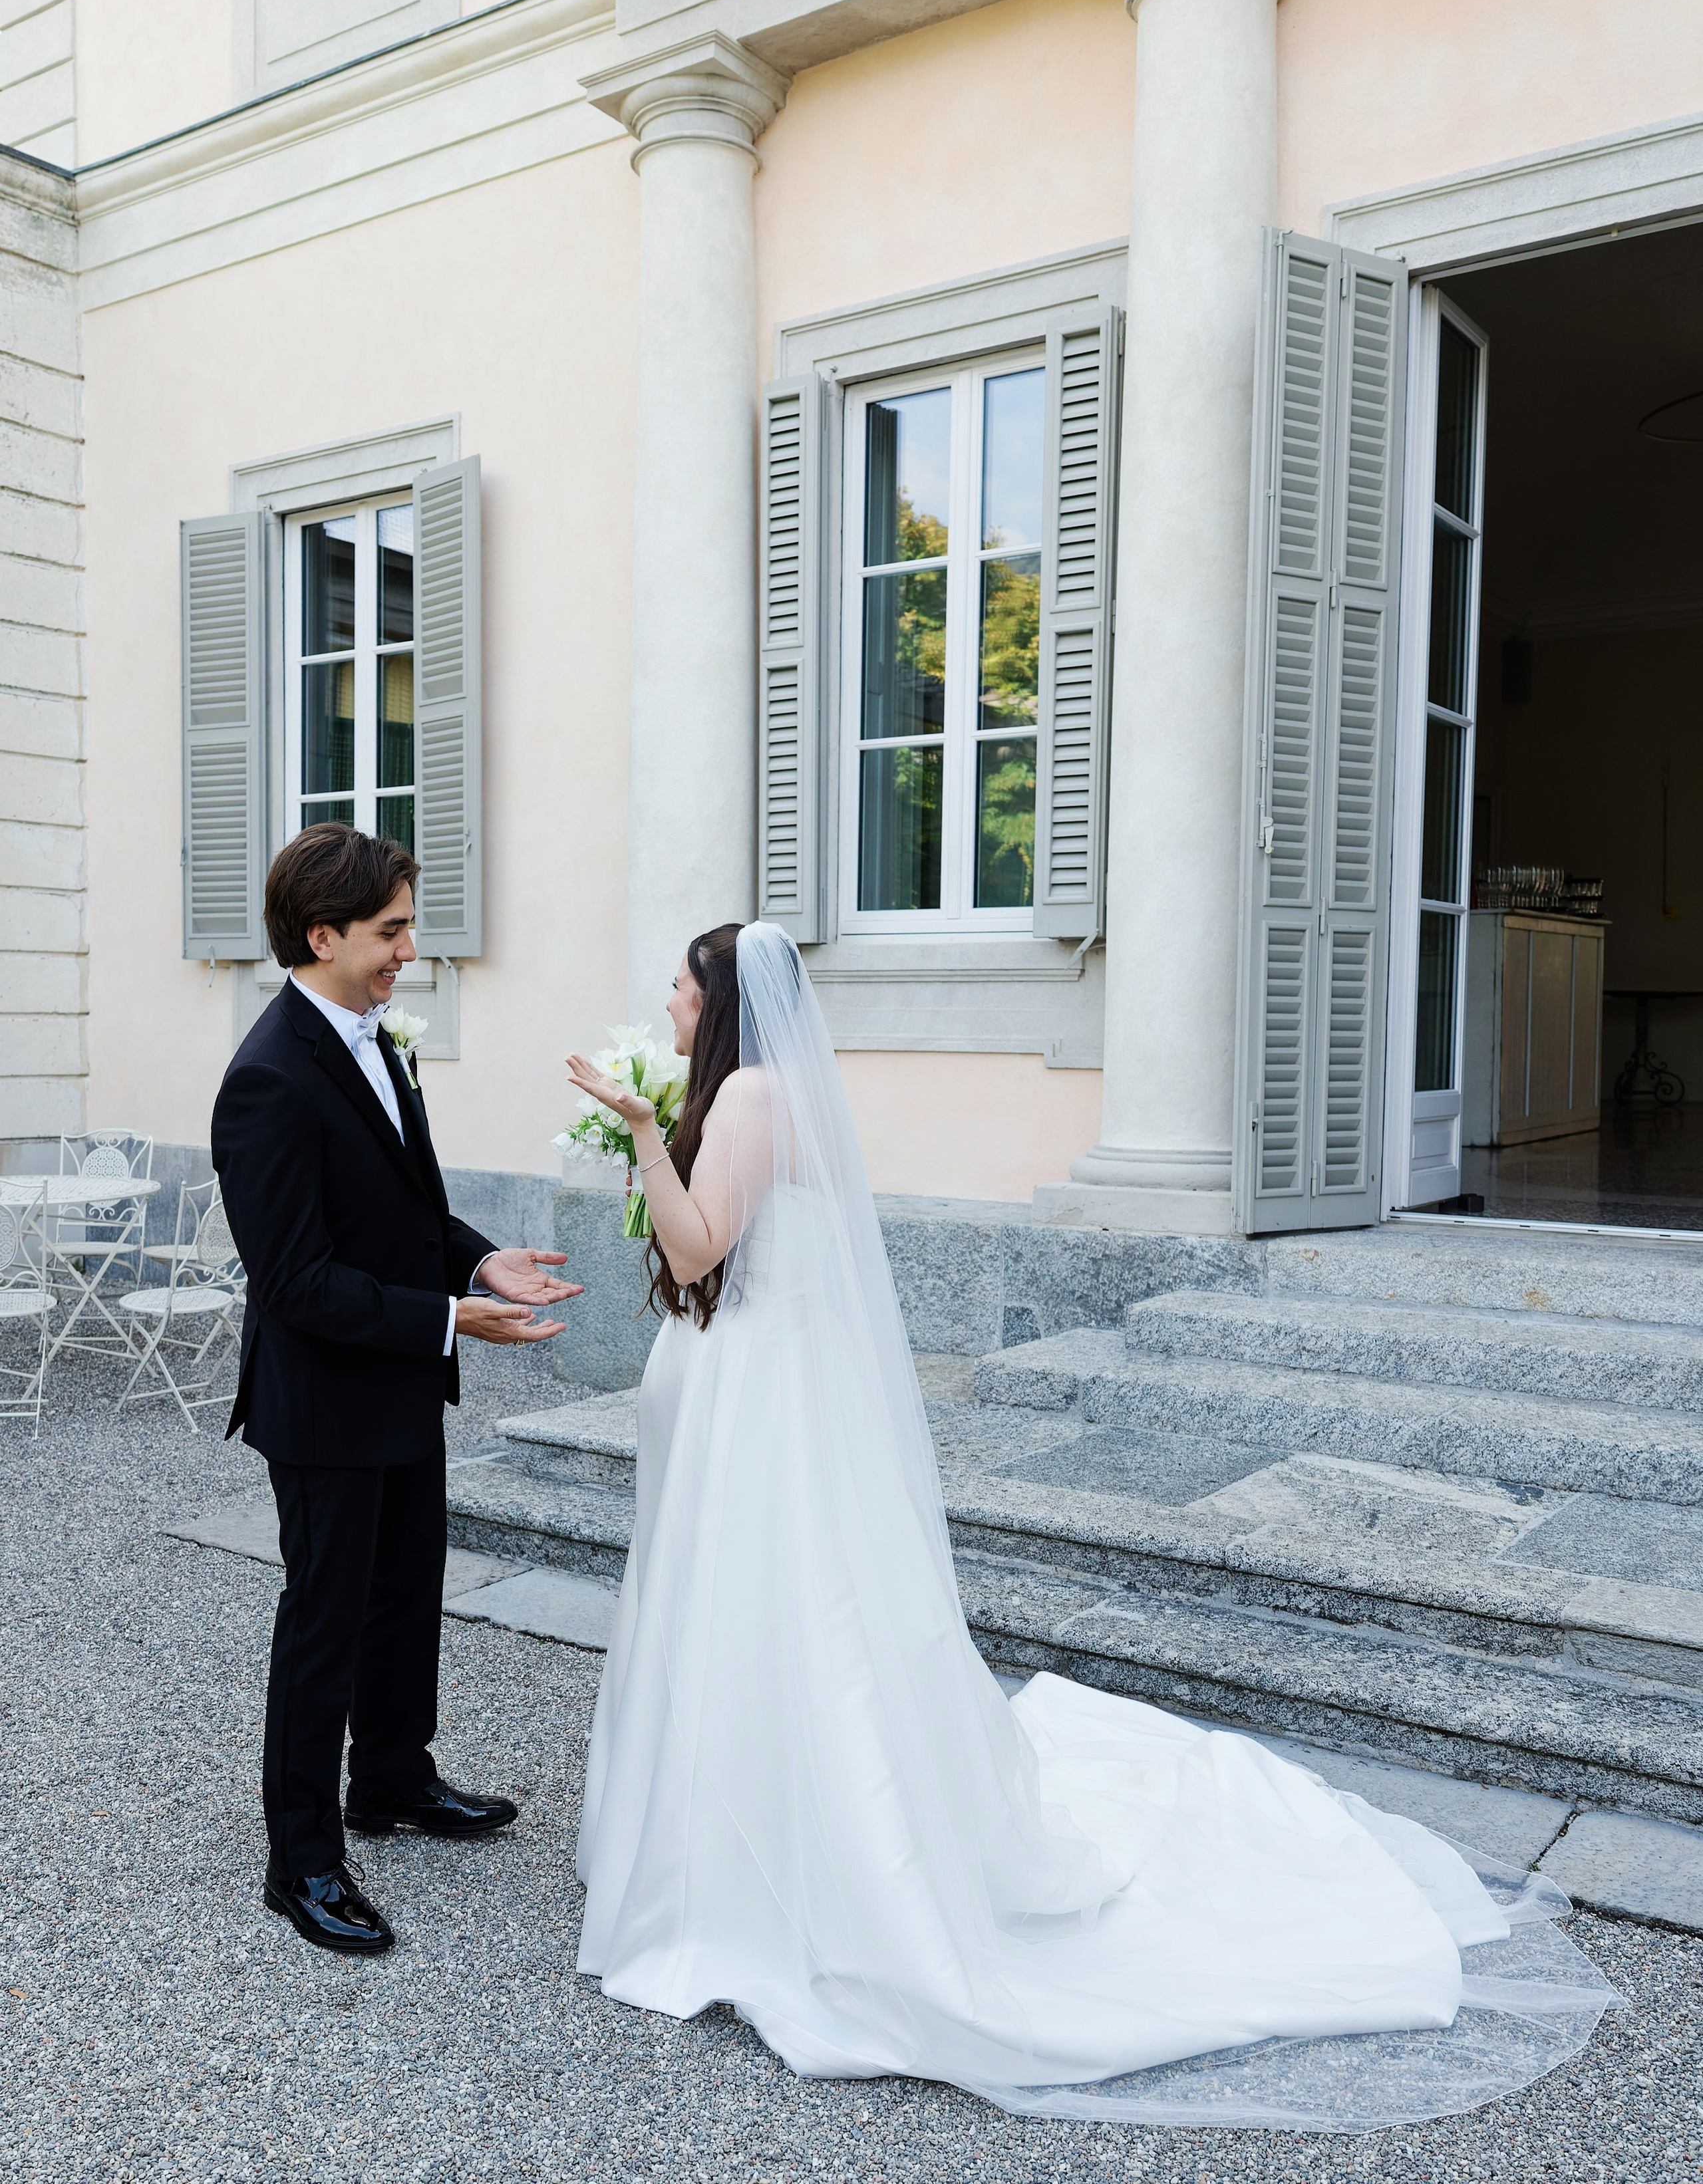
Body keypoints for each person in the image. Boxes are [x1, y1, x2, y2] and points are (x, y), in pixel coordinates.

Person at [565, 920, 1615, 2131]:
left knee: (758, 1605)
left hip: (757, 1400)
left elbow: (697, 1245)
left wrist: (643, 1135)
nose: (669, 1002)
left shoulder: (746, 1095)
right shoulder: (777, 1089)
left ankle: (762, 1871)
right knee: (788, 1610)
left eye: (682, 987)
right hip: (766, 1384)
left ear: (726, 1002)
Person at [214, 824, 579, 1957]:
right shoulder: (268, 1079)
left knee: (406, 1589)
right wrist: (447, 1319)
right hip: (325, 1402)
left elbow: (403, 1209)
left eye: (407, 926)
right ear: (320, 937)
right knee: (323, 1621)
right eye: (390, 932)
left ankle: (391, 1780)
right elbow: (294, 1281)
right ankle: (305, 1857)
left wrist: (474, 1260)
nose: (408, 952)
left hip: (403, 1385)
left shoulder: (378, 1039)